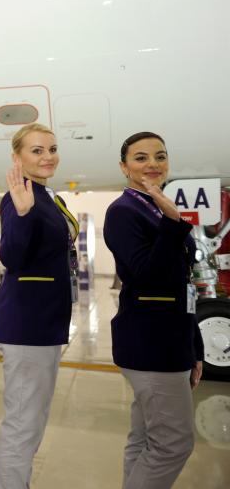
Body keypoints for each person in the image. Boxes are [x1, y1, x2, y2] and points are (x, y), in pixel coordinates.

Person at [103, 132, 203, 489]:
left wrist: (195, 347)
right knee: (174, 443)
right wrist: (173, 223)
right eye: (141, 157)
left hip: (171, 336)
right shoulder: (123, 212)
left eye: (159, 156)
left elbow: (183, 281)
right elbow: (147, 275)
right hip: (151, 342)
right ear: (124, 166)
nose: (152, 164)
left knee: (145, 438)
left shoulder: (151, 204)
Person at [0, 123, 78, 488]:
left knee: (32, 422)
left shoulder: (47, 195)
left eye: (52, 149)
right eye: (37, 150)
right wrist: (24, 216)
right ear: (18, 157)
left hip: (44, 322)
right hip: (28, 323)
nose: (48, 156)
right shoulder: (20, 196)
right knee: (22, 425)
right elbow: (11, 256)